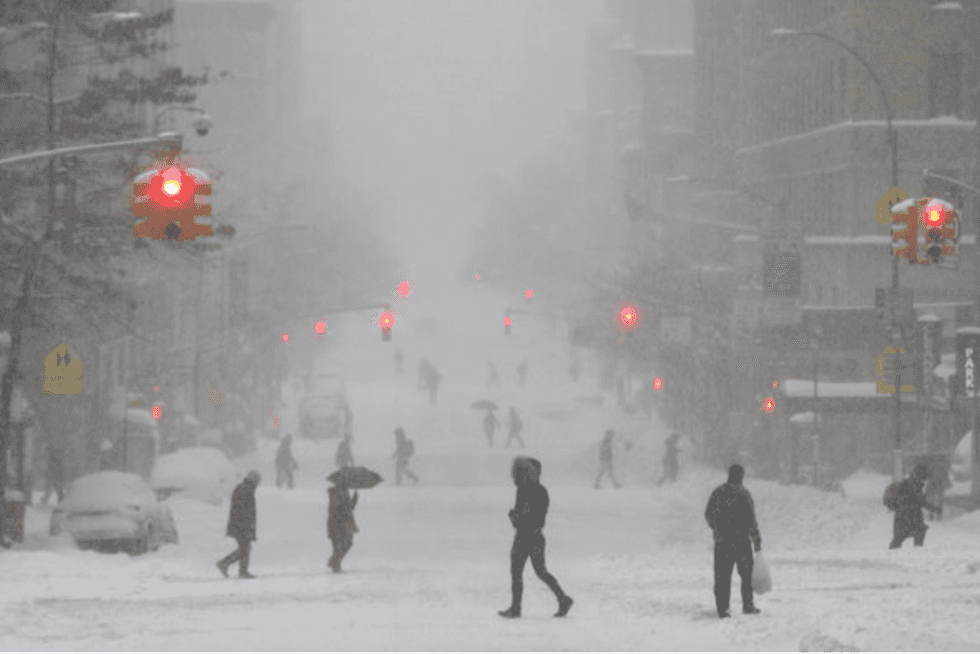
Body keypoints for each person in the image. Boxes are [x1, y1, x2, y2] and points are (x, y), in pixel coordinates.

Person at [498, 457, 574, 619]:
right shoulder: (534, 490)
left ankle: (517, 608)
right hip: (534, 536)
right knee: (538, 571)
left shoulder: (531, 491)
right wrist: (517, 516)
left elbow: (529, 514)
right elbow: (531, 515)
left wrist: (515, 516)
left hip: (527, 536)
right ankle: (562, 599)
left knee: (521, 572)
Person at [704, 464, 763, 618]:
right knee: (747, 575)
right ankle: (748, 605)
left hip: (722, 542)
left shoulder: (718, 492)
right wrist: (756, 538)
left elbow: (708, 514)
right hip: (741, 542)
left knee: (722, 577)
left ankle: (723, 609)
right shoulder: (743, 494)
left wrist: (717, 529)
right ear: (741, 476)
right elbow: (751, 519)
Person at [217, 470, 261, 579]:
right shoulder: (244, 489)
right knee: (244, 548)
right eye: (257, 480)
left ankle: (240, 570)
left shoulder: (245, 488)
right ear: (253, 479)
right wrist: (246, 525)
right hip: (241, 525)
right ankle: (225, 563)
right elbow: (242, 510)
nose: (258, 483)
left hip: (241, 524)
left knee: (245, 548)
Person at [890, 463, 941, 549]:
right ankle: (917, 552)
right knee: (918, 532)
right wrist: (935, 509)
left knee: (899, 539)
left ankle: (893, 554)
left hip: (902, 517)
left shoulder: (909, 483)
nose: (925, 481)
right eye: (925, 478)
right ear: (921, 475)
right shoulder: (915, 485)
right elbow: (921, 502)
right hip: (909, 517)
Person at [327, 483, 359, 572]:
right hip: (339, 523)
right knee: (339, 545)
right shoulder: (337, 493)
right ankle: (336, 565)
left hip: (343, 523)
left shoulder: (342, 492)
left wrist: (355, 498)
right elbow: (344, 509)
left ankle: (335, 562)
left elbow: (349, 508)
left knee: (346, 543)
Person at [924, 457, 952, 521]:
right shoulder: (942, 468)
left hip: (933, 486)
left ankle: (931, 515)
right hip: (938, 486)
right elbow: (946, 477)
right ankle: (938, 515)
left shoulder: (931, 467)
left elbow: (927, 477)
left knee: (932, 501)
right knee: (939, 501)